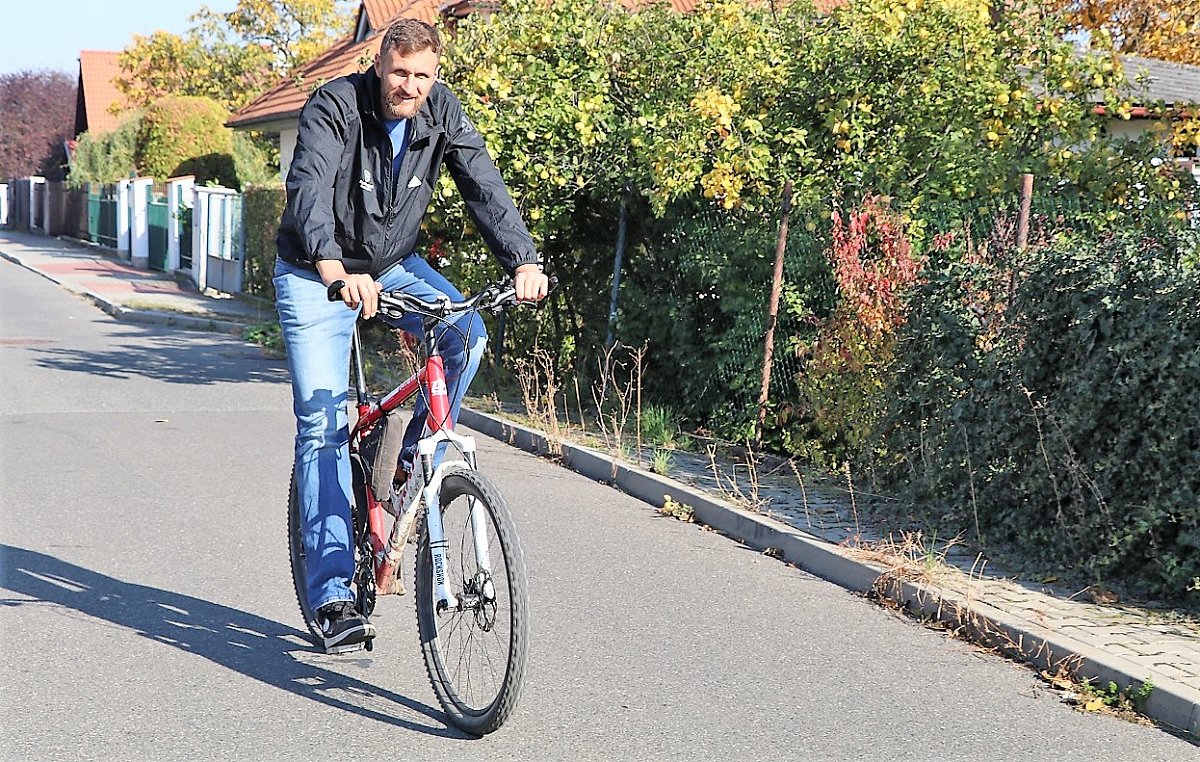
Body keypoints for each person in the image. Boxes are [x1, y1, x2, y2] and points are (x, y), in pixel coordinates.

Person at [273, 18, 548, 654]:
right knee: (321, 423)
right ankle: (334, 595)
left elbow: (484, 185)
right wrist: (332, 266)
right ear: (379, 62)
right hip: (317, 271)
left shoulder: (441, 112)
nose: (410, 86)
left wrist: (523, 260)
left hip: (390, 263)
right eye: (401, 73)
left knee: (465, 331)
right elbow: (309, 185)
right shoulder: (335, 105)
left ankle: (403, 461)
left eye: (423, 76)